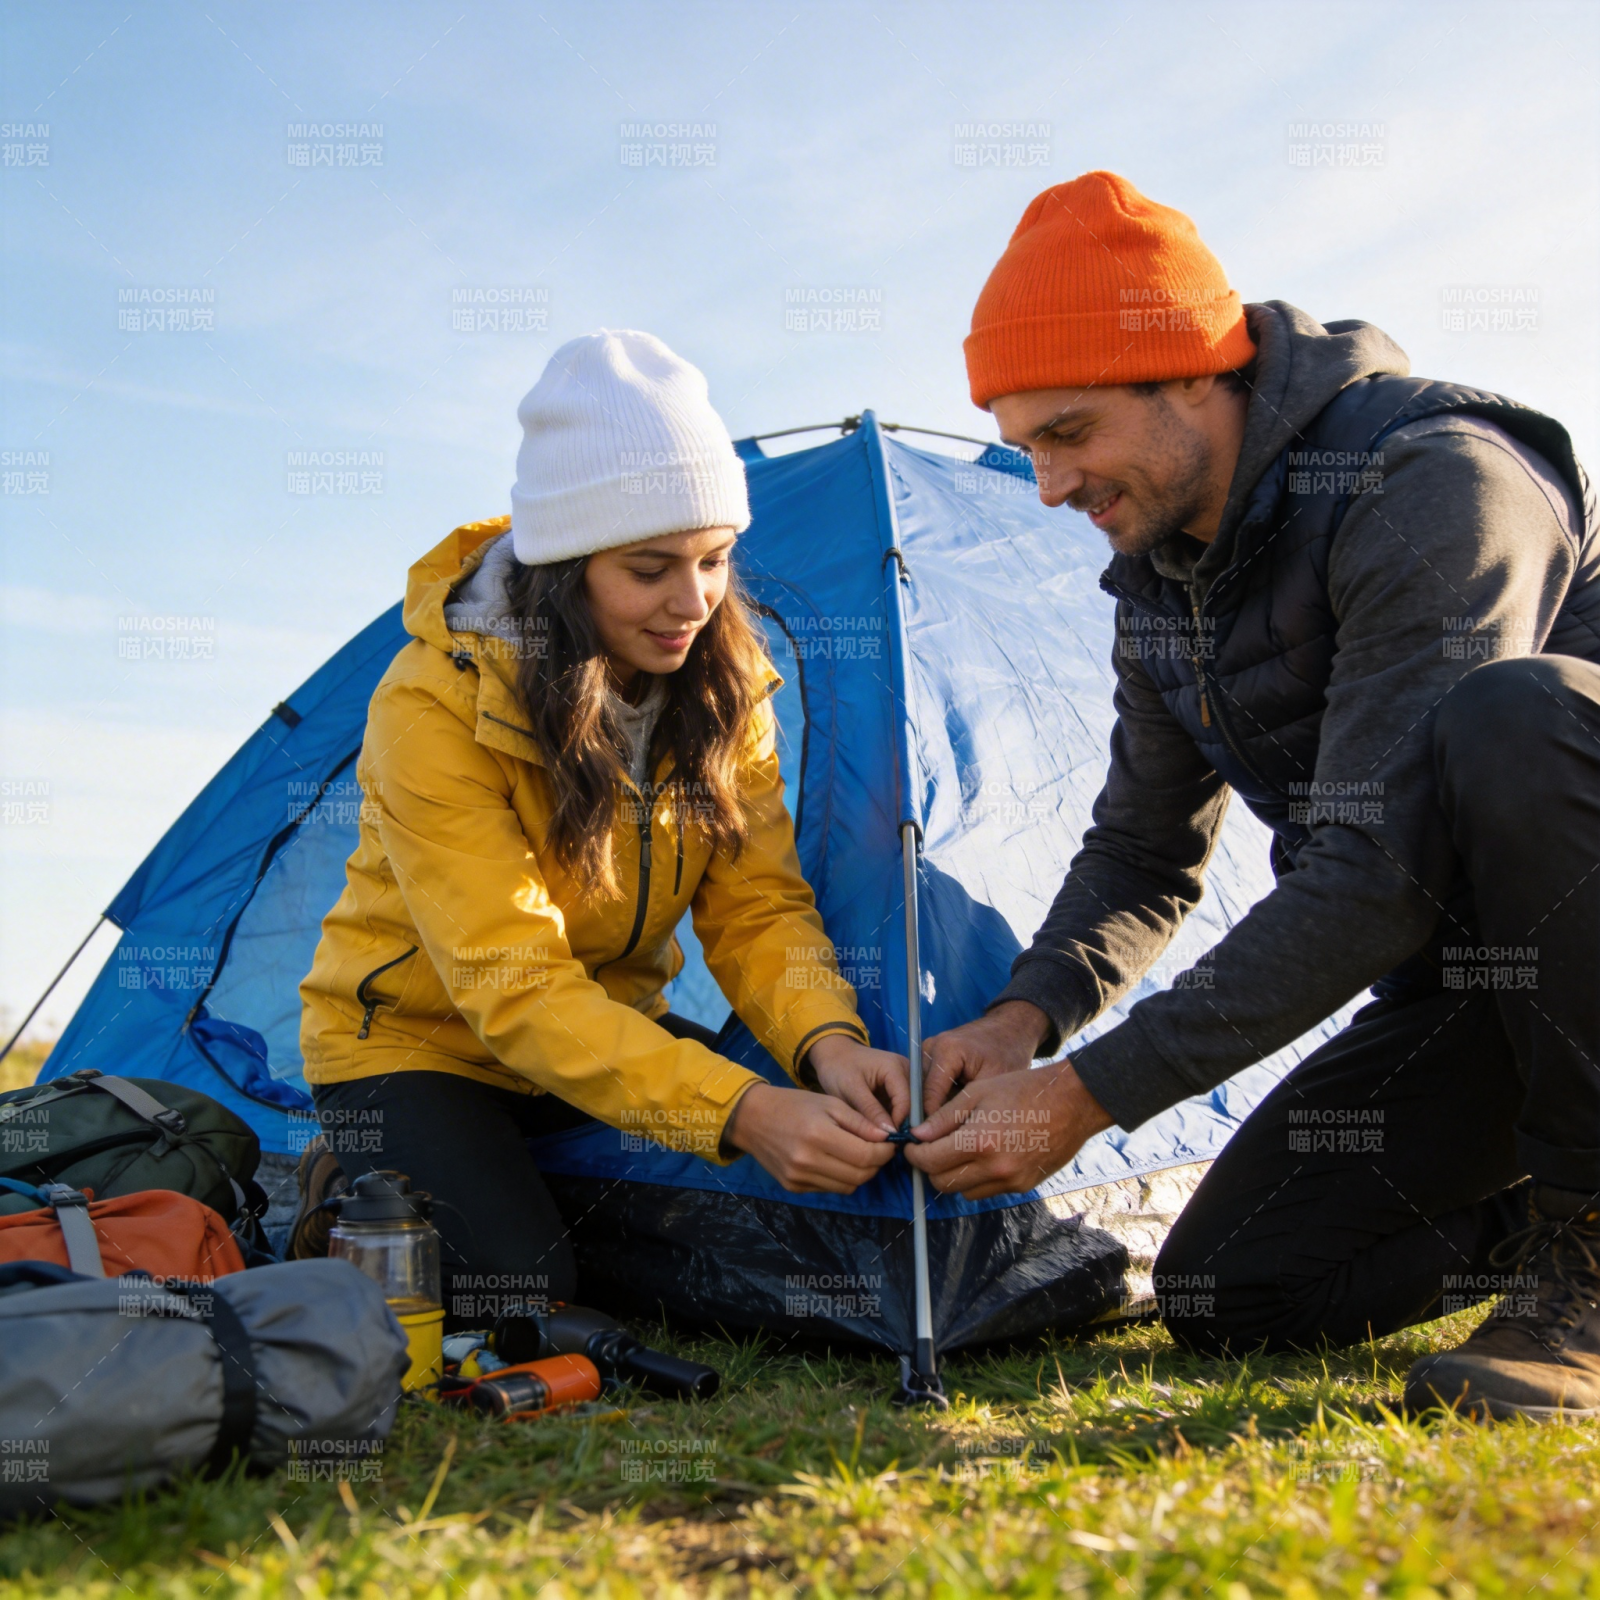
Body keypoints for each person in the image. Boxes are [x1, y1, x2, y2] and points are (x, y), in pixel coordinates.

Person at [905, 171, 1600, 1421]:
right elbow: (1140, 852)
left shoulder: (1432, 481)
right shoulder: (1158, 588)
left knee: (1518, 714)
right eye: (1026, 452)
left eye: (1068, 434)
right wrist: (1023, 1023)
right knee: (1235, 1289)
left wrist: (1089, 1097)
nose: (1048, 487)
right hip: (1477, 997)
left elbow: (1377, 868)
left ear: (1187, 374)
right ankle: (1546, 1221)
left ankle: (1591, 1253)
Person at [295, 329, 909, 1326]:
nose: (693, 602)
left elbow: (756, 906)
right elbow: (514, 988)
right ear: (563, 570)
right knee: (524, 1291)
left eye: (714, 560)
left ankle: (504, 1193)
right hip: (419, 1047)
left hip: (602, 1031)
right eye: (650, 568)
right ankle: (351, 1193)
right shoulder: (431, 705)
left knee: (790, 1230)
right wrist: (745, 1110)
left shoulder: (725, 687)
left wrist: (828, 1046)